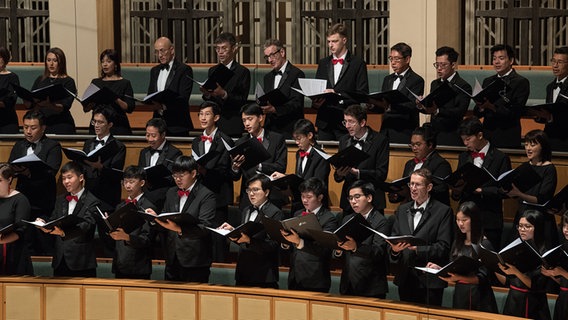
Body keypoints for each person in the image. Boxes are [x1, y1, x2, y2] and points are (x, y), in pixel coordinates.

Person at [145, 156, 216, 282]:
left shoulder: (207, 195)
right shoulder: (171, 192)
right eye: (174, 175)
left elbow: (205, 227)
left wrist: (178, 228)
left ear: (194, 173)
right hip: (172, 258)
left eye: (181, 175)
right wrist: (154, 219)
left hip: (195, 260)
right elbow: (166, 221)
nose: (177, 179)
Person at [389, 168, 453, 306]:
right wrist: (394, 250)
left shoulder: (443, 211)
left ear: (429, 187)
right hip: (405, 278)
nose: (412, 188)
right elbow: (394, 239)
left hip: (429, 281)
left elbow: (444, 247)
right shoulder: (402, 209)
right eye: (411, 184)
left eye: (417, 184)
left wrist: (418, 249)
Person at [426, 201, 498, 313]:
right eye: (458, 220)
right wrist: (440, 269)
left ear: (474, 220)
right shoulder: (457, 242)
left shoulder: (484, 244)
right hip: (460, 294)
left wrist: (458, 277)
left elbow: (483, 278)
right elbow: (453, 268)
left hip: (479, 297)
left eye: (464, 220)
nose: (460, 224)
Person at [452, 117, 511, 250]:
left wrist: (481, 191)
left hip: (489, 219)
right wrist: (456, 190)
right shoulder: (464, 157)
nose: (465, 143)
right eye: (463, 140)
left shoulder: (500, 157)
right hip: (466, 219)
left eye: (468, 139)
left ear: (480, 135)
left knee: (488, 261)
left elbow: (505, 190)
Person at [8, 110, 62, 255]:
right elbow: (10, 168)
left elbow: (51, 172)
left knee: (43, 244)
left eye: (33, 128)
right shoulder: (18, 146)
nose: (28, 131)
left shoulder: (52, 146)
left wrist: (29, 173)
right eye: (25, 127)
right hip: (22, 202)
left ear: (43, 128)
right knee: (23, 244)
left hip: (43, 203)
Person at [218, 174, 282, 288]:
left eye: (255, 190)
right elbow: (244, 239)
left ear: (266, 192)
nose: (251, 194)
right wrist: (233, 232)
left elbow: (274, 245)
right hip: (243, 271)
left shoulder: (275, 212)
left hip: (263, 274)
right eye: (249, 190)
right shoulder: (246, 210)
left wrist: (249, 241)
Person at [37, 161, 100, 277]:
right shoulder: (60, 199)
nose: (66, 182)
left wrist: (63, 232)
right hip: (60, 259)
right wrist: (45, 224)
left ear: (81, 177)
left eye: (69, 177)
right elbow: (54, 219)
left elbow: (86, 226)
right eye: (63, 178)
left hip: (82, 262)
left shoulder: (92, 201)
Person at [191, 101, 234, 262]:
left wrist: (205, 171)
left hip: (218, 196)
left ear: (216, 117)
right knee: (201, 237)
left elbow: (225, 170)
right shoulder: (196, 141)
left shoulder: (225, 140)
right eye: (200, 114)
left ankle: (219, 271)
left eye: (207, 114)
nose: (203, 117)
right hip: (200, 196)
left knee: (218, 240)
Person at [280, 177, 337, 293]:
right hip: (295, 276)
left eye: (309, 197)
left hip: (316, 278)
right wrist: (286, 242)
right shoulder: (298, 214)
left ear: (320, 197)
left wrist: (299, 242)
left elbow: (325, 249)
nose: (304, 200)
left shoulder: (329, 219)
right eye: (302, 196)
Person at [313, 23, 369, 141]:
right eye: (329, 41)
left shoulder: (357, 63)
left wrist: (337, 95)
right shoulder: (323, 63)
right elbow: (318, 88)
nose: (330, 45)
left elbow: (362, 93)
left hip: (345, 123)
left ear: (344, 40)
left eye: (334, 41)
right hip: (325, 122)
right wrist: (316, 102)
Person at [334, 180, 389, 298]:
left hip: (371, 286)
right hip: (348, 284)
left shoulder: (381, 221)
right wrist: (338, 249)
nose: (353, 201)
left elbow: (378, 252)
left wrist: (356, 247)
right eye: (350, 198)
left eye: (357, 197)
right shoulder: (347, 219)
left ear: (369, 198)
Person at [506, 129, 558, 248]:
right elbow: (515, 191)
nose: (528, 148)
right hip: (523, 215)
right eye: (527, 144)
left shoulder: (549, 169)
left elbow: (543, 199)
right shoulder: (524, 167)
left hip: (539, 219)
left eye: (533, 145)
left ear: (542, 147)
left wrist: (520, 194)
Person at [334, 104, 389, 216]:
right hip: (349, 203)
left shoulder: (380, 140)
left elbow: (381, 173)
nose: (347, 126)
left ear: (362, 123)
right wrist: (339, 174)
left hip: (372, 200)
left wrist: (358, 173)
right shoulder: (344, 140)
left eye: (351, 122)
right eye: (345, 122)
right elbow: (337, 176)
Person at [231, 103, 287, 211]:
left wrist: (259, 165)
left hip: (272, 195)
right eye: (244, 120)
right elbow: (235, 177)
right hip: (248, 197)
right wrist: (235, 167)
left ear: (260, 118)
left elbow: (281, 167)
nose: (246, 123)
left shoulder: (277, 139)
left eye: (250, 119)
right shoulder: (240, 143)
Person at [497, 210, 552, 320]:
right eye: (520, 226)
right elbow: (508, 281)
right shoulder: (515, 248)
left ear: (537, 228)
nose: (522, 229)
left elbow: (536, 285)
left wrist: (516, 272)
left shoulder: (544, 253)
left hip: (533, 303)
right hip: (513, 299)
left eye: (527, 226)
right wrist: (492, 266)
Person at [474, 44, 530, 149]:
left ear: (511, 60)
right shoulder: (488, 81)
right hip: (488, 133)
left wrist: (491, 106)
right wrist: (481, 107)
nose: (496, 62)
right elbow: (476, 112)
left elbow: (515, 112)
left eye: (501, 58)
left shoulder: (520, 82)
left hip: (507, 134)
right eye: (494, 58)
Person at [271, 119, 330, 213]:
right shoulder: (299, 153)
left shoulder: (321, 156)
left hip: (315, 206)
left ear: (310, 135)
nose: (297, 142)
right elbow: (299, 177)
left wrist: (286, 177)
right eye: (295, 139)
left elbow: (317, 185)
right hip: (298, 203)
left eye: (299, 138)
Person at [108, 165, 156, 279]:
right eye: (125, 182)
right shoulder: (120, 206)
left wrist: (127, 237)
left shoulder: (148, 207)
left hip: (139, 266)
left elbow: (147, 239)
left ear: (142, 183)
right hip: (120, 263)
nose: (127, 185)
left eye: (132, 182)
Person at [418, 46, 472, 146]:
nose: (439, 69)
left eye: (443, 65)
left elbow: (460, 111)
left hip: (452, 134)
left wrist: (437, 111)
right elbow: (431, 107)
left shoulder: (463, 85)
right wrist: (422, 105)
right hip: (434, 134)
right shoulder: (435, 83)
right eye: (437, 65)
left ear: (453, 65)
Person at [202, 32, 250, 137]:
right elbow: (210, 101)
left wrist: (224, 94)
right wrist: (207, 94)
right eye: (217, 49)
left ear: (233, 49)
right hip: (214, 124)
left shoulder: (242, 72)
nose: (220, 52)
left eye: (224, 48)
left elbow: (242, 100)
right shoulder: (213, 70)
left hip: (232, 123)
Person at [388, 125, 451, 206]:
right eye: (412, 144)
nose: (414, 148)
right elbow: (404, 190)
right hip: (409, 209)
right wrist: (397, 195)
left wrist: (410, 191)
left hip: (431, 211)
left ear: (430, 144)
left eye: (418, 144)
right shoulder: (409, 164)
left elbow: (439, 192)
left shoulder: (441, 164)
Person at [376, 42, 424, 144]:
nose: (393, 62)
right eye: (391, 58)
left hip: (404, 131)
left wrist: (389, 107)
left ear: (407, 59)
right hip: (386, 129)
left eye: (397, 59)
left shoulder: (416, 80)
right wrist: (373, 104)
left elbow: (411, 105)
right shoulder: (387, 79)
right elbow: (383, 103)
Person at [147, 37, 193, 137]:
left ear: (171, 50)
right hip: (157, 125)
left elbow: (183, 98)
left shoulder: (184, 69)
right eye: (156, 52)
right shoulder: (154, 71)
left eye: (162, 51)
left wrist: (163, 106)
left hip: (177, 125)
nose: (159, 55)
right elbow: (150, 94)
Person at [260, 38, 304, 139]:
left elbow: (296, 103)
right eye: (267, 57)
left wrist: (275, 109)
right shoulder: (268, 77)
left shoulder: (297, 74)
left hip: (289, 128)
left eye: (272, 55)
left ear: (282, 52)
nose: (270, 60)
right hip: (270, 128)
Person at [84, 49, 135, 135]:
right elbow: (86, 108)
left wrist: (115, 98)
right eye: (102, 61)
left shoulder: (124, 83)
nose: (105, 64)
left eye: (108, 61)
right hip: (98, 125)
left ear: (115, 64)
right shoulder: (96, 82)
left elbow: (129, 107)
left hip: (118, 126)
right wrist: (90, 103)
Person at [138, 118, 182, 212]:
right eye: (147, 135)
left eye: (153, 136)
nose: (150, 139)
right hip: (145, 199)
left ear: (163, 135)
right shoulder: (143, 152)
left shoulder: (175, 153)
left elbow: (171, 179)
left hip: (164, 200)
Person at [29, 47, 77, 134]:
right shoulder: (40, 79)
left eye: (55, 61)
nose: (51, 64)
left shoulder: (68, 81)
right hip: (43, 123)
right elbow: (32, 99)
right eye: (48, 60)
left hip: (61, 124)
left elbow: (65, 106)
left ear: (61, 63)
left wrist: (49, 105)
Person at [531, 47, 568, 151]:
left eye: (560, 62)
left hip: (565, 139)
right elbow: (550, 111)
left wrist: (550, 117)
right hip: (550, 138)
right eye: (553, 61)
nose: (555, 65)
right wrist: (538, 115)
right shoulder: (550, 86)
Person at [0, 164, 33, 276]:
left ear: (9, 179)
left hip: (14, 254)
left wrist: (2, 240)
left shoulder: (20, 200)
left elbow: (21, 230)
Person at [541, 211, 568, 320]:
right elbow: (563, 282)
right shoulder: (564, 246)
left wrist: (562, 272)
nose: (566, 230)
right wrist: (552, 274)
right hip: (563, 297)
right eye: (564, 225)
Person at [0, 46, 20, 133]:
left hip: (7, 120)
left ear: (5, 58)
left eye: (0, 57)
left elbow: (11, 101)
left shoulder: (12, 77)